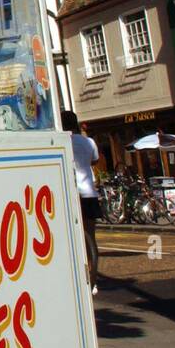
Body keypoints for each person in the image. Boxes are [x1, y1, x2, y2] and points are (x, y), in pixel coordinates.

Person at [62, 111, 100, 294]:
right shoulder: (89, 141)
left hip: (72, 192)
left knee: (73, 237)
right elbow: (95, 160)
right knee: (90, 236)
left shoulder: (64, 141)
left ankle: (80, 275)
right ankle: (93, 278)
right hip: (90, 193)